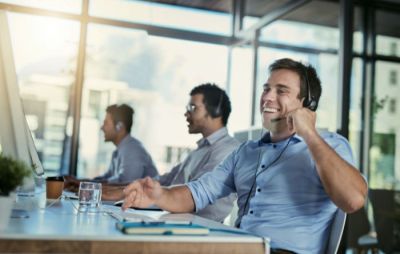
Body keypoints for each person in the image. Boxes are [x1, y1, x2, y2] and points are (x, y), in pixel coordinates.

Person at [122, 58, 368, 253]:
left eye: (281, 91)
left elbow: (353, 200)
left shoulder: (330, 146)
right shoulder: (246, 151)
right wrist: (158, 195)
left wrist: (309, 134)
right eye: (266, 89)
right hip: (239, 247)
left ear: (307, 104)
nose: (267, 98)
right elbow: (198, 193)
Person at [103, 84, 240, 222]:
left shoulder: (228, 150)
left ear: (216, 111)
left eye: (193, 108)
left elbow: (193, 197)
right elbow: (166, 180)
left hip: (197, 227)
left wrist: (126, 193)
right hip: (175, 219)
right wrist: (120, 189)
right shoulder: (199, 150)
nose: (186, 113)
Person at [65, 104, 158, 189]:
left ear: (119, 126)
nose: (102, 128)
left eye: (106, 123)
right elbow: (107, 178)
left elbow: (126, 185)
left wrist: (82, 183)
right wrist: (80, 182)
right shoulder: (119, 150)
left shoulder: (133, 150)